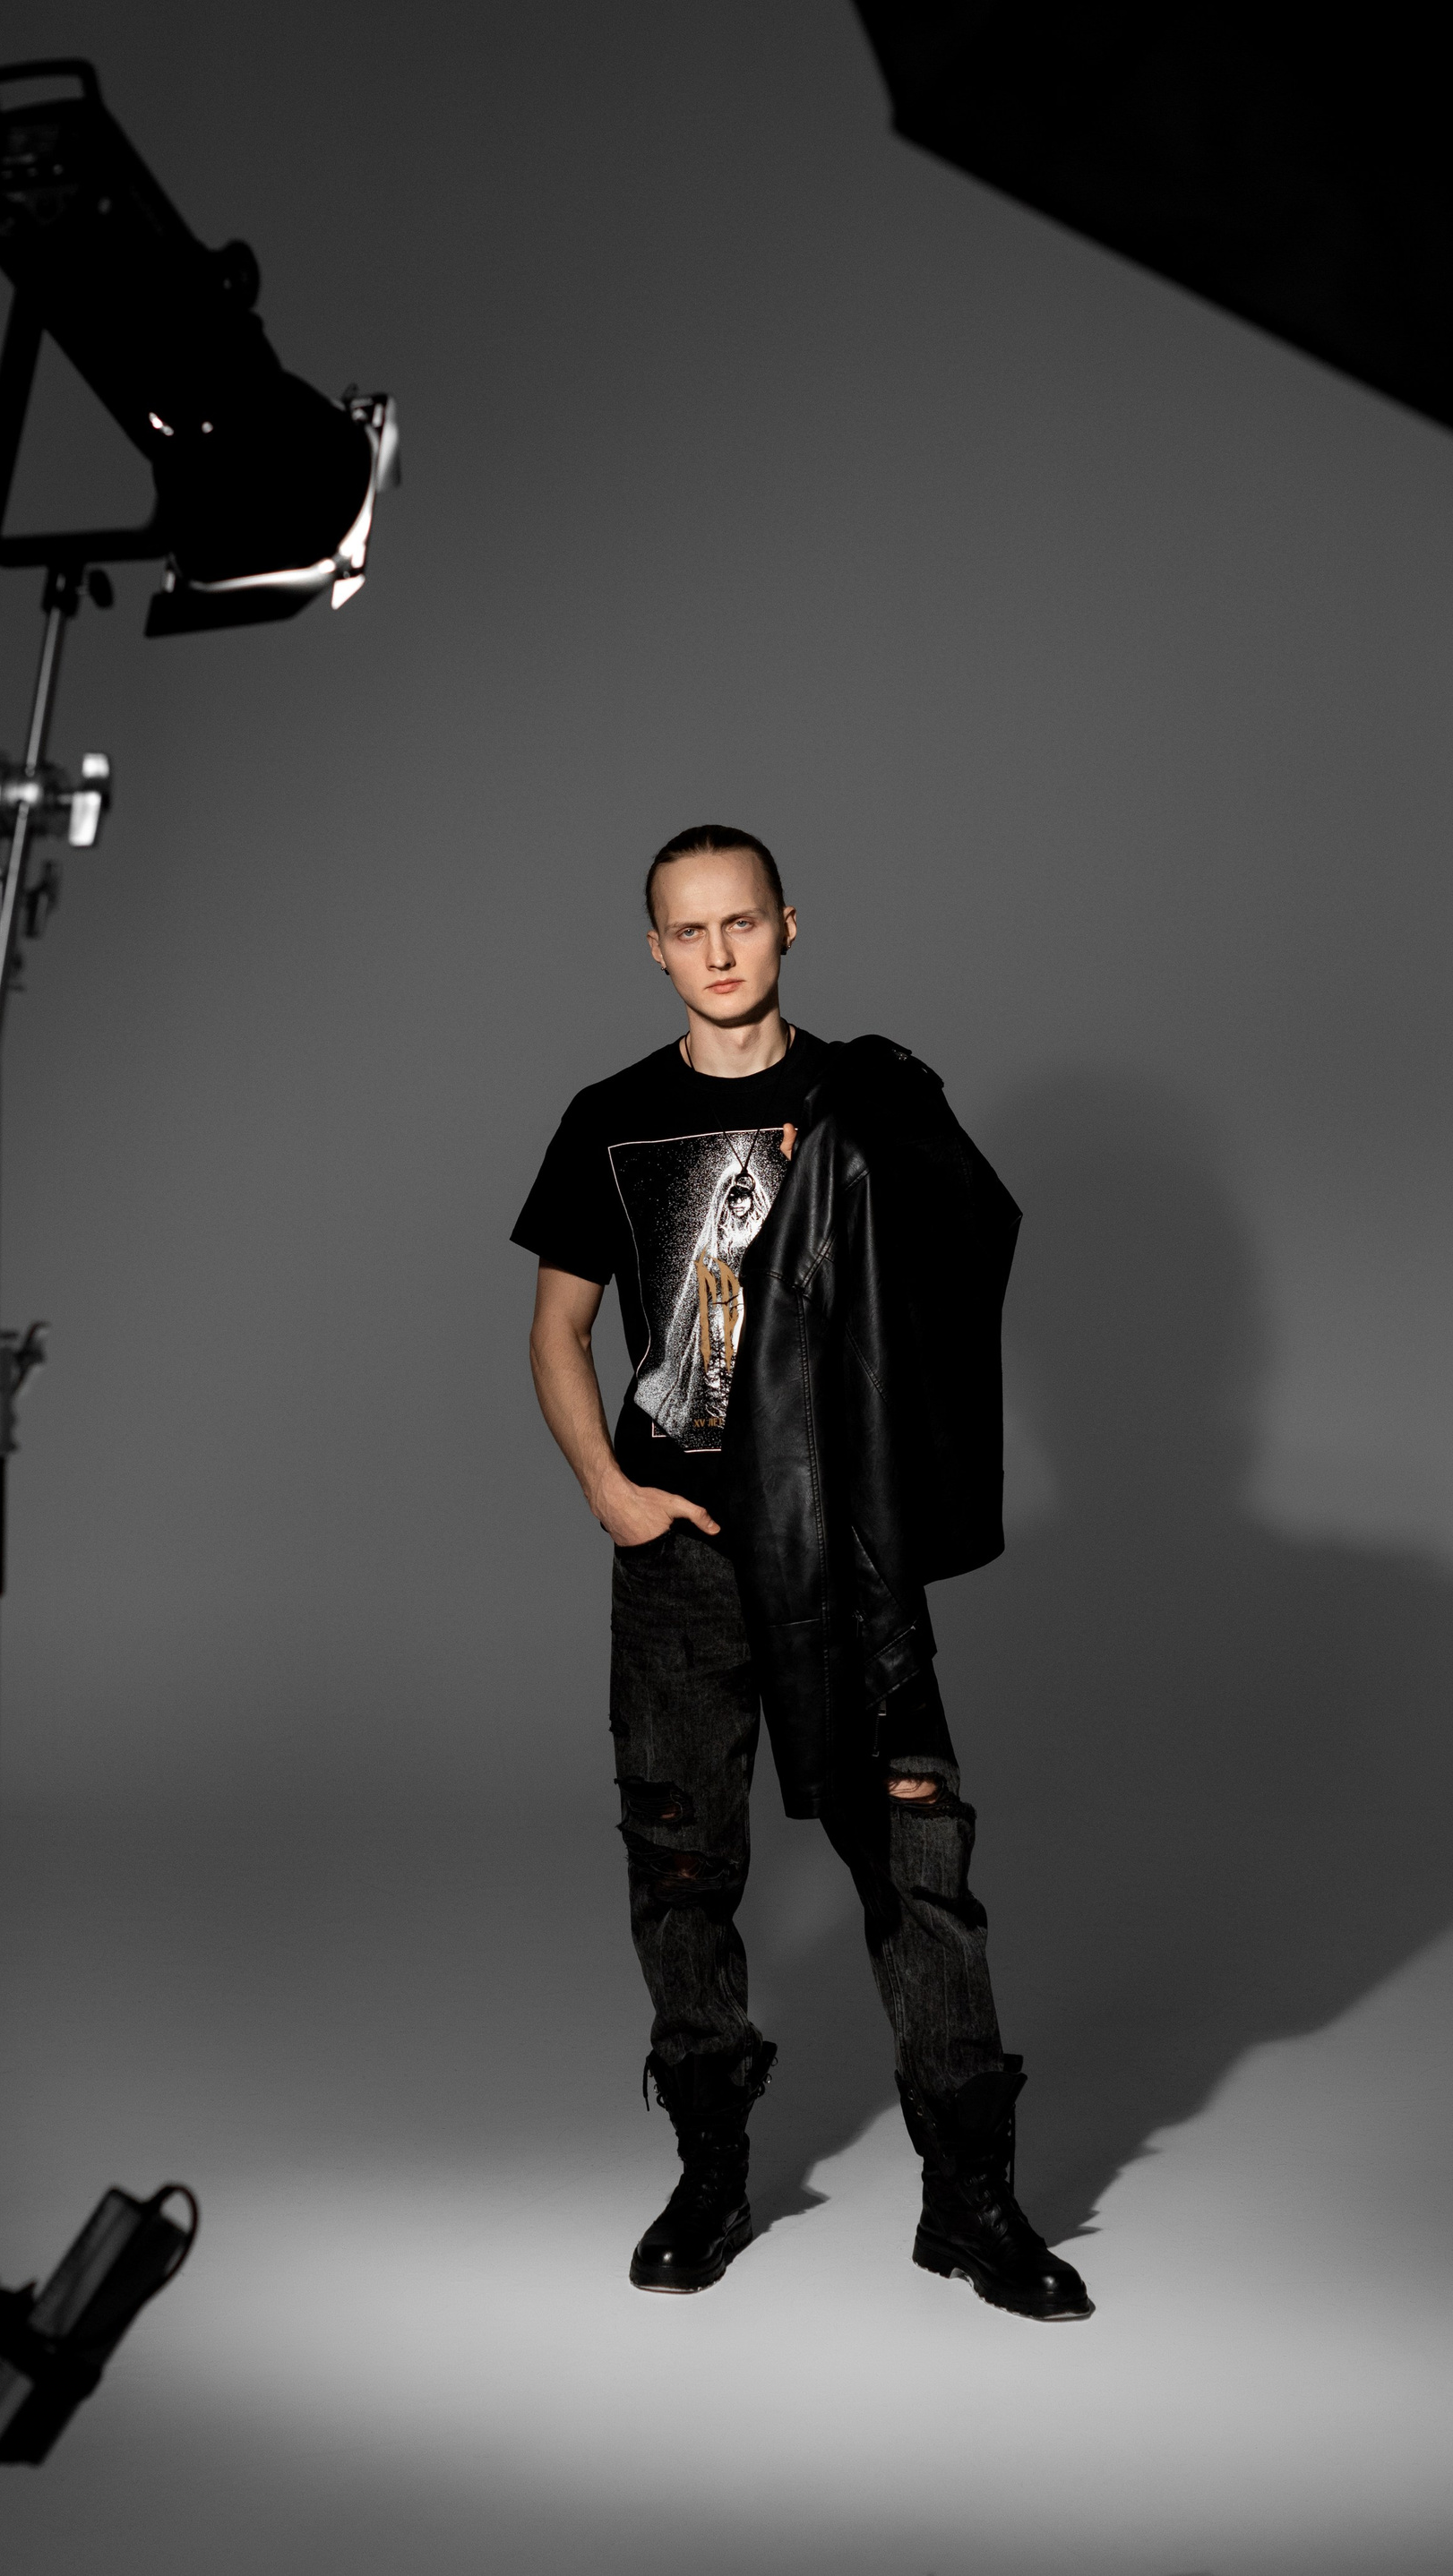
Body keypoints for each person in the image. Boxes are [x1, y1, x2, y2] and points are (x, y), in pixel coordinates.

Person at [512, 824, 1092, 2321]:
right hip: (683, 1557)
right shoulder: (610, 1119)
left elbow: (957, 1284)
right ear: (654, 946)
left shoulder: (872, 1105)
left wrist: (900, 1495)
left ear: (787, 927)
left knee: (917, 1862)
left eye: (742, 922)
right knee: (681, 1865)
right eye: (687, 928)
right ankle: (711, 2173)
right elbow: (556, 1330)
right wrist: (610, 1493)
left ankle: (971, 2200)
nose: (718, 951)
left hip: (843, 1554)